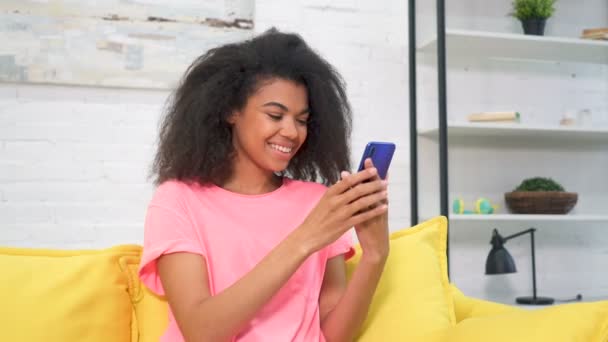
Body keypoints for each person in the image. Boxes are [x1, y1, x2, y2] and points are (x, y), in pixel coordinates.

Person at [138, 28, 390, 342]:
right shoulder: (178, 200)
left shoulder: (319, 203)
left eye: (301, 120)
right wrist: (305, 238)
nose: (291, 132)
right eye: (275, 115)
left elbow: (333, 335)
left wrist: (375, 255)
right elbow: (201, 331)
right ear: (231, 110)